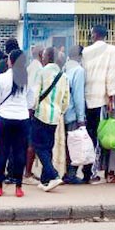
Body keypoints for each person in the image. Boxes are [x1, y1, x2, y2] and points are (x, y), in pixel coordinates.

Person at [0, 49, 34, 197]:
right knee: (19, 153)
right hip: (22, 120)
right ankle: (18, 187)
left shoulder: (1, 78)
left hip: (4, 119)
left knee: (2, 152)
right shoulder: (26, 79)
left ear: (10, 61)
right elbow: (31, 102)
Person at [82, 24, 115, 183]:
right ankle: (92, 173)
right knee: (98, 138)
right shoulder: (112, 50)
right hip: (101, 98)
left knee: (90, 134)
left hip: (87, 97)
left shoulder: (86, 51)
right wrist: (111, 97)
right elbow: (111, 75)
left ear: (95, 34)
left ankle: (88, 170)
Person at [31, 47, 70, 192]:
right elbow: (66, 100)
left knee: (38, 145)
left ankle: (53, 175)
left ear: (47, 57)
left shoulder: (41, 72)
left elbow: (35, 94)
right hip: (55, 116)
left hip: (41, 114)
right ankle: (45, 180)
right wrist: (60, 112)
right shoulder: (63, 76)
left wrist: (33, 108)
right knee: (48, 146)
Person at [62, 45, 86, 184]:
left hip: (63, 112)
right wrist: (81, 118)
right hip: (73, 114)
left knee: (65, 145)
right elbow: (78, 96)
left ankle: (64, 172)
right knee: (74, 145)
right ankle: (71, 175)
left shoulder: (64, 68)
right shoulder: (79, 70)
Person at [22, 45, 44, 183]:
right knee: (32, 142)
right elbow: (35, 92)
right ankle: (28, 173)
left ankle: (26, 171)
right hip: (33, 109)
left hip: (24, 108)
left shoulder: (29, 67)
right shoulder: (39, 70)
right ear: (42, 54)